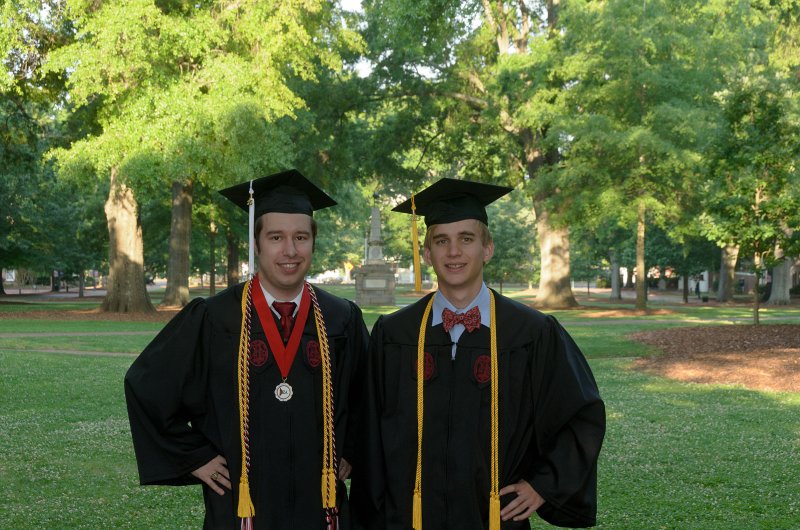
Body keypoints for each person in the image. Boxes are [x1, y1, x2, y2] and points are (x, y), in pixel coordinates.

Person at [350, 178, 605, 529]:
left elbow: (581, 414)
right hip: (408, 518)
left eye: (466, 239)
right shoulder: (395, 334)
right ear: (428, 254)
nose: (453, 252)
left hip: (494, 519)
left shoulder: (531, 333)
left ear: (487, 249)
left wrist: (543, 484)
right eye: (442, 241)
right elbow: (369, 434)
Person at [125, 169, 369, 529]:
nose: (290, 250)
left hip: (321, 508)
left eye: (301, 237)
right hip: (242, 508)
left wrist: (349, 449)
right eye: (276, 237)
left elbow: (370, 396)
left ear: (313, 242)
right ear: (257, 244)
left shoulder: (340, 319)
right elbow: (146, 386)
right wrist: (195, 456)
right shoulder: (214, 317)